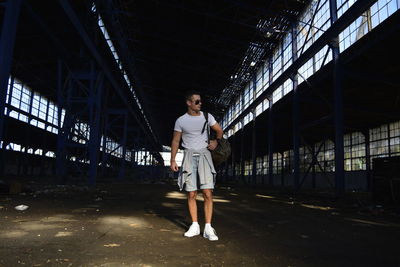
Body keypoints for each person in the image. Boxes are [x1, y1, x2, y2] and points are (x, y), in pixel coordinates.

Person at [170, 91, 223, 241]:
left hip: (205, 155)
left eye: (200, 101)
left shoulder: (208, 117)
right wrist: (173, 160)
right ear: (189, 103)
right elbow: (175, 141)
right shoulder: (181, 120)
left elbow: (219, 131)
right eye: (197, 101)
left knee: (207, 192)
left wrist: (216, 141)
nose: (200, 104)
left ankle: (208, 227)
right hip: (188, 156)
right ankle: (194, 225)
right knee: (191, 193)